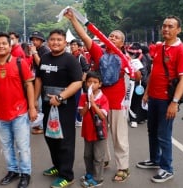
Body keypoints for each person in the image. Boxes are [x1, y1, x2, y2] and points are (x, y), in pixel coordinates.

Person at [65, 9, 137, 182]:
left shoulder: (126, 58)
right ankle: (102, 160)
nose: (112, 38)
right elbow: (84, 36)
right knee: (100, 133)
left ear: (122, 43)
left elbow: (137, 76)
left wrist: (133, 70)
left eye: (116, 37)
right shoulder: (99, 53)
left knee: (119, 137)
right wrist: (73, 20)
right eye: (110, 36)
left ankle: (123, 167)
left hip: (118, 102)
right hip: (99, 102)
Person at [136, 16, 183, 183]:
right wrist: (146, 93)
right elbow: (154, 71)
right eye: (164, 26)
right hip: (154, 97)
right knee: (152, 131)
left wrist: (174, 102)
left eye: (170, 26)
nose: (166, 29)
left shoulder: (181, 50)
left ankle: (167, 168)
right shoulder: (159, 47)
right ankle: (155, 159)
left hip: (167, 100)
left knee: (164, 134)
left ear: (178, 30)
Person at [0, 32, 37, 188]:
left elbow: (29, 85)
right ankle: (12, 170)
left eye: (4, 43)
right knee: (7, 146)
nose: (1, 46)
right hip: (1, 114)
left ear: (10, 46)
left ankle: (25, 173)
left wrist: (32, 107)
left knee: (23, 146)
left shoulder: (19, 63)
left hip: (20, 112)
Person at [34, 29, 82, 188]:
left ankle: (67, 175)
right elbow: (39, 79)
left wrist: (61, 97)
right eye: (52, 39)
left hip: (65, 107)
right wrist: (34, 100)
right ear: (48, 41)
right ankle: (57, 166)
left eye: (59, 40)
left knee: (64, 140)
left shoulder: (70, 60)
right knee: (50, 137)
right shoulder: (45, 58)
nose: (55, 42)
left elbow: (77, 83)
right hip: (48, 105)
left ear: (65, 42)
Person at [78, 71, 109, 187]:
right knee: (87, 155)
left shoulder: (104, 98)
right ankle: (89, 173)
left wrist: (93, 103)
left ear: (100, 84)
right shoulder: (82, 97)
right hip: (87, 131)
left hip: (100, 133)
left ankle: (98, 178)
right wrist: (88, 103)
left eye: (95, 82)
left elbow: (102, 116)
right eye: (89, 81)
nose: (92, 84)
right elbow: (81, 113)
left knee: (98, 157)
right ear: (86, 83)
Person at [29, 31, 51, 135]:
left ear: (42, 41)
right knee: (36, 103)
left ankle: (42, 126)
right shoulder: (38, 49)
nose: (34, 41)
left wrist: (34, 53)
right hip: (38, 79)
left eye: (37, 40)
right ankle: (38, 124)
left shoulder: (44, 50)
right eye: (33, 39)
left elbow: (41, 64)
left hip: (44, 80)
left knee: (41, 104)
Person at [127, 43, 149, 128]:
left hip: (139, 83)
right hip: (142, 83)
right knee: (138, 100)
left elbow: (143, 72)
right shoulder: (145, 57)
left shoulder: (138, 59)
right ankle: (138, 118)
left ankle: (135, 119)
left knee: (136, 101)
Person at [70, 39, 90, 127]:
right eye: (71, 45)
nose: (72, 46)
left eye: (74, 45)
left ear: (78, 47)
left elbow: (86, 69)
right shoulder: (70, 56)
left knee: (76, 101)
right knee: (73, 101)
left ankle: (78, 119)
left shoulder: (80, 57)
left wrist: (82, 81)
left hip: (78, 83)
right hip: (71, 82)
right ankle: (76, 119)